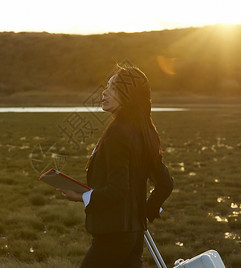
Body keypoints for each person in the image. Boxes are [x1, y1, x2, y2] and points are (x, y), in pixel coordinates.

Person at [59, 64, 174, 268]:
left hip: (114, 234)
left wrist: (82, 196)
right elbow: (165, 183)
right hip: (134, 233)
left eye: (112, 88)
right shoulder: (145, 130)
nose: (104, 92)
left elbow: (118, 190)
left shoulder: (118, 133)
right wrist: (142, 214)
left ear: (127, 95)